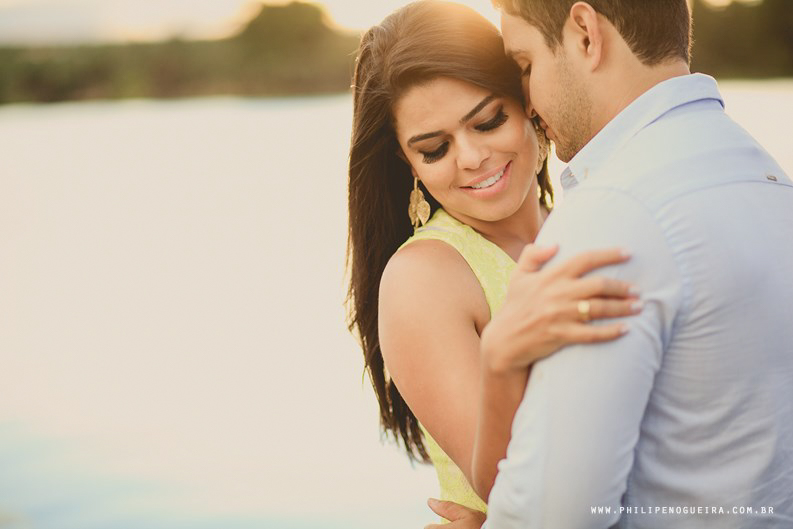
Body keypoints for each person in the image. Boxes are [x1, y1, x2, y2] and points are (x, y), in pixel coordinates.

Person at [427, 1, 793, 528]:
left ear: (584, 33)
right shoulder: (766, 176)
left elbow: (555, 518)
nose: (527, 103)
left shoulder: (608, 215)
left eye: (526, 65)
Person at [345, 0, 642, 522]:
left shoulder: (591, 220)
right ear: (408, 163)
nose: (471, 157)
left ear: (528, 99)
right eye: (434, 149)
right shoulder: (425, 277)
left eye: (487, 121)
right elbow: (512, 490)